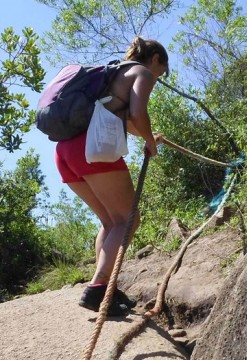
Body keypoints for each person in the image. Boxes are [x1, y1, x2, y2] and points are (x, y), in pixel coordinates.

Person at [55, 36, 169, 316]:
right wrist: (151, 145)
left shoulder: (111, 72)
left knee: (109, 221)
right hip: (91, 150)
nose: (158, 76)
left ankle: (107, 289)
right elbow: (137, 111)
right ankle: (98, 287)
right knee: (127, 219)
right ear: (155, 59)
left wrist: (145, 135)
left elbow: (121, 118)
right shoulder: (140, 71)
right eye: (161, 70)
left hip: (65, 150)